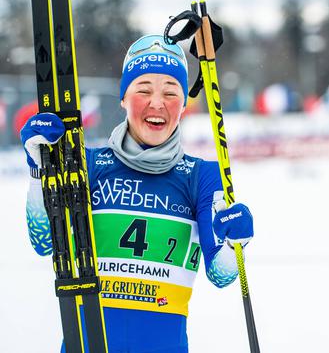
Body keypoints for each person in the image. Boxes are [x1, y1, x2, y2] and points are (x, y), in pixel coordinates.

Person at [21, 35, 254, 352]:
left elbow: (221, 274)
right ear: (123, 98)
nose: (156, 103)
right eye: (143, 90)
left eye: (171, 92)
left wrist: (234, 243)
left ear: (183, 104)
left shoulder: (203, 176)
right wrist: (40, 173)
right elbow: (44, 241)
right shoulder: (87, 164)